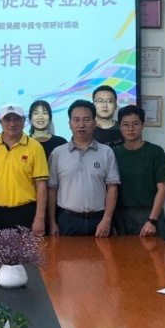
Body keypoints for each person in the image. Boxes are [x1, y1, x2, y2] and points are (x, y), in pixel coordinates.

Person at [48, 100, 120, 237]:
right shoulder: (58, 153)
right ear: (69, 124)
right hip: (67, 220)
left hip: (99, 220)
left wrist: (106, 220)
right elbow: (52, 189)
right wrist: (52, 222)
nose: (81, 125)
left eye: (86, 120)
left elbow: (112, 188)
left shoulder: (106, 152)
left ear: (94, 123)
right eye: (76, 120)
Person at [0, 103, 48, 234]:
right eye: (7, 119)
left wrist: (39, 218)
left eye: (16, 119)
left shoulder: (35, 147)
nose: (12, 124)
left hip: (25, 213)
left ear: (24, 120)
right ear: (0, 122)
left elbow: (41, 185)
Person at [113, 105, 165, 242]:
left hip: (149, 215)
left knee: (154, 255)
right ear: (120, 127)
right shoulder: (114, 154)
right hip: (121, 217)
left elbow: (162, 189)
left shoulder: (155, 152)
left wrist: (152, 220)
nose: (130, 128)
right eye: (126, 125)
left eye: (135, 124)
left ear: (142, 125)